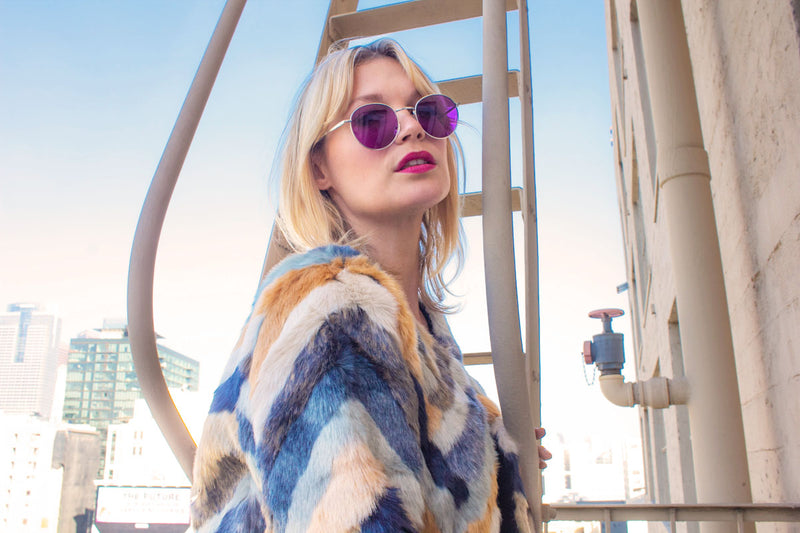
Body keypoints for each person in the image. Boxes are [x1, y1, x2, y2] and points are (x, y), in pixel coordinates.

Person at [190, 38, 550, 533]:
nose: (412, 128)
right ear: (319, 168)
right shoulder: (328, 310)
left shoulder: (417, 323)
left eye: (429, 112)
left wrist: (490, 451)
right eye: (372, 120)